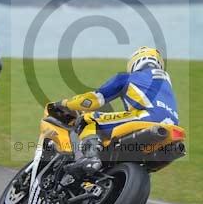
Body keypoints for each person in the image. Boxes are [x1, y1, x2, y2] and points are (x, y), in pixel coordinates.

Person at [50, 46, 178, 176]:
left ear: (135, 62)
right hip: (172, 128)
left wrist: (65, 104)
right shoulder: (166, 84)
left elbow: (92, 101)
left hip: (147, 118)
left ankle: (90, 158)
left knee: (89, 119)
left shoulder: (128, 77)